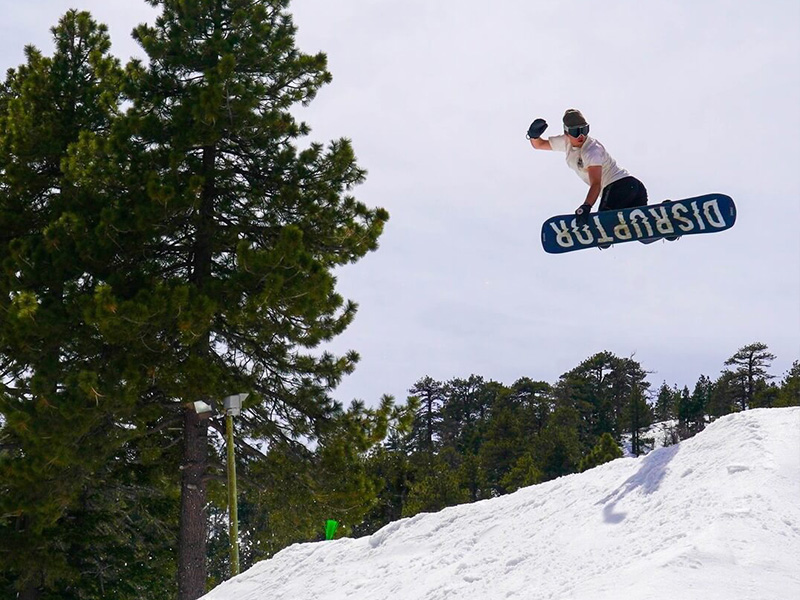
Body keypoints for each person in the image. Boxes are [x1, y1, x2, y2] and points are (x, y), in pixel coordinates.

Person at [527, 109, 648, 223]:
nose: (581, 136)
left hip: (620, 187)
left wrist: (586, 206)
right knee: (644, 231)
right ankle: (665, 216)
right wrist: (533, 135)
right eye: (575, 132)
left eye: (584, 130)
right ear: (567, 132)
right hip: (633, 188)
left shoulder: (592, 150)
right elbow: (540, 144)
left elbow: (596, 183)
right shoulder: (565, 142)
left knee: (603, 225)